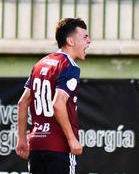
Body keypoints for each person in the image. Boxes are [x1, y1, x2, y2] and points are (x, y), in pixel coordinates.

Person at [16, 18, 91, 174]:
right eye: (85, 37)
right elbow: (58, 103)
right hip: (59, 147)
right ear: (71, 41)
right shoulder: (70, 67)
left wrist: (22, 139)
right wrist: (71, 139)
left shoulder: (40, 64)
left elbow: (22, 103)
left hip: (37, 145)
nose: (89, 41)